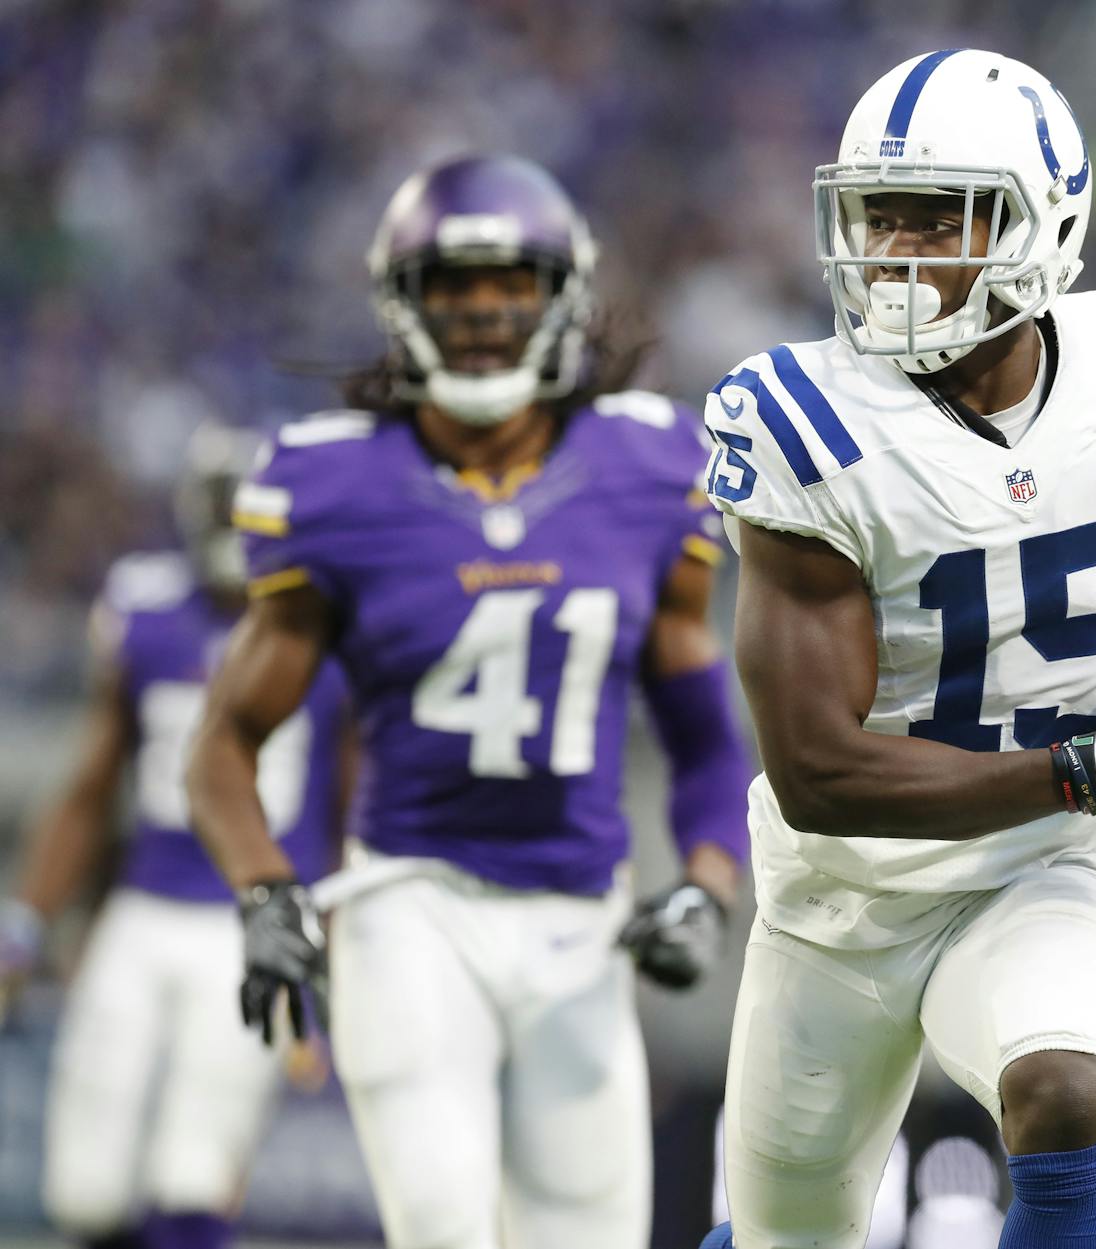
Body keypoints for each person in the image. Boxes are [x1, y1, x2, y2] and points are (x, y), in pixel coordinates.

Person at [697, 49, 1096, 1249]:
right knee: (786, 1236)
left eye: (939, 221)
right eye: (877, 218)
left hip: (1042, 864)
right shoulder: (800, 424)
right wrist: (1094, 763)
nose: (892, 254)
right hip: (846, 895)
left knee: (1064, 1089)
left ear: (1045, 226)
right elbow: (819, 773)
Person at [185, 154, 751, 1249]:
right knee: (442, 1226)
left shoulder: (652, 467)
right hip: (407, 899)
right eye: (451, 284)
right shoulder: (329, 484)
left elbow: (703, 740)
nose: (484, 311)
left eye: (510, 283)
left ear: (564, 296)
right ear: (402, 303)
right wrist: (264, 893)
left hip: (580, 916)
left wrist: (704, 888)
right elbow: (224, 741)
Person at [0, 424, 348, 1249]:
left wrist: (337, 959)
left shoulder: (331, 623)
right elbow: (93, 785)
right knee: (85, 1188)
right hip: (145, 908)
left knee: (194, 1174)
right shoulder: (145, 611)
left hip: (256, 920)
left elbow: (354, 806)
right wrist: (26, 924)